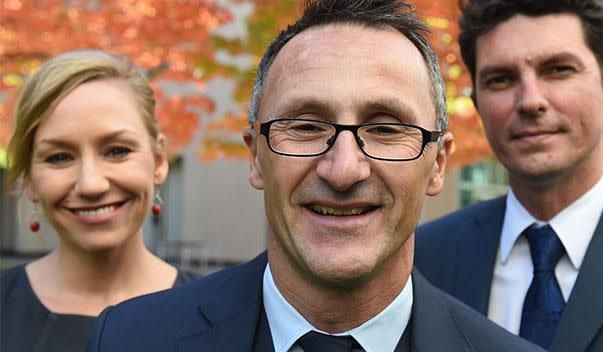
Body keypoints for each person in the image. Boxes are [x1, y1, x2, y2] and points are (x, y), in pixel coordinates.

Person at [85, 1, 543, 351]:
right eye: (305, 126)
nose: (344, 169)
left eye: (385, 129)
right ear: (256, 157)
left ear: (437, 163)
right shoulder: (131, 339)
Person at [414, 0, 603, 351]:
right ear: (478, 105)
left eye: (558, 70)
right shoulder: (422, 259)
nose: (531, 101)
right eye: (500, 79)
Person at [0, 50, 199, 352]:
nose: (91, 184)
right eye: (59, 157)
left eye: (117, 151)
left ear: (158, 161)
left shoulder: (222, 317)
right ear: (29, 179)